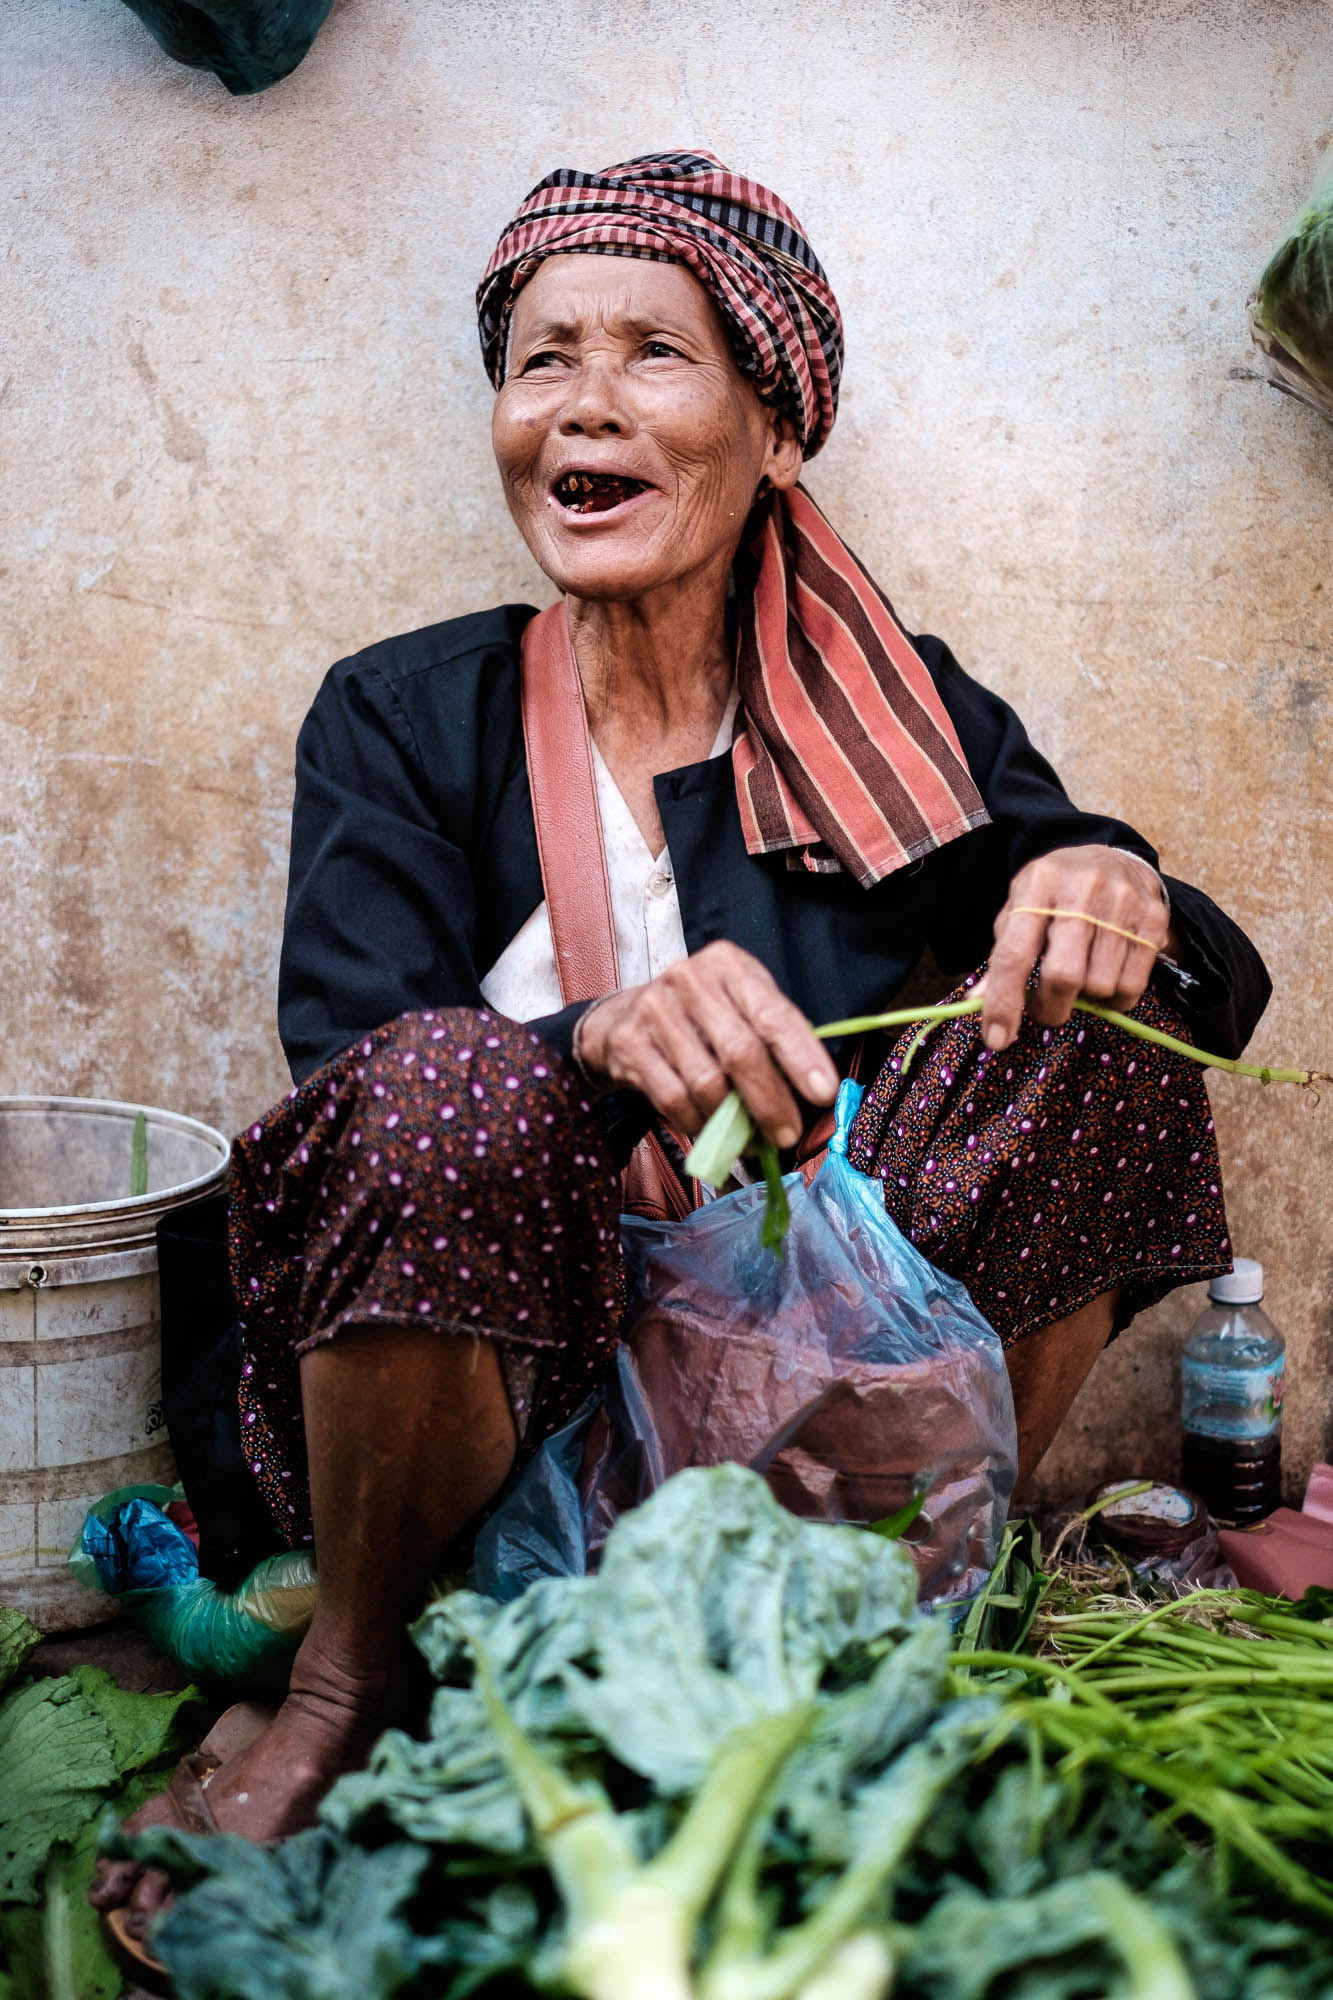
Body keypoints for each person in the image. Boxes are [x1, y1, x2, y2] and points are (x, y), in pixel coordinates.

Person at [94, 149, 1269, 1942]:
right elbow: (346, 1078)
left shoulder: (900, 720)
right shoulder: (410, 716)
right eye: (539, 357)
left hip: (813, 1426)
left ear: (772, 427)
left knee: (1105, 1040)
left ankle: (918, 1610)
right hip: (485, 1396)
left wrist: (1106, 874)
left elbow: (1185, 968)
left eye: (652, 352)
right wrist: (585, 1043)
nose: (580, 403)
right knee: (437, 1083)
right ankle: (341, 1679)